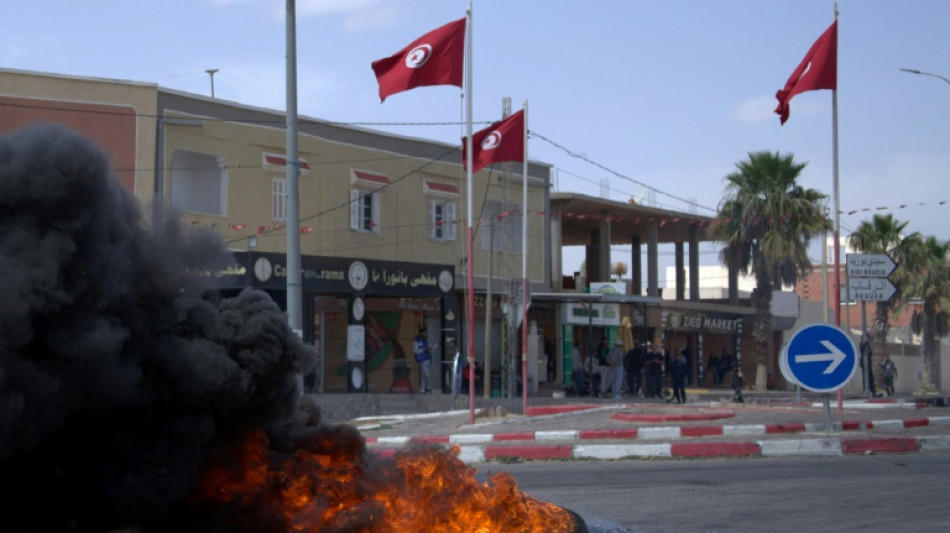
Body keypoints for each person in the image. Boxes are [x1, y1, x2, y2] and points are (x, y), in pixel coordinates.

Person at [413, 328, 432, 393]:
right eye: (424, 333)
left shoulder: (426, 340)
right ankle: (428, 387)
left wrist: (429, 348)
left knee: (425, 375)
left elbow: (428, 348)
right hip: (421, 360)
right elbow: (415, 351)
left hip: (427, 359)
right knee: (427, 374)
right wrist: (424, 349)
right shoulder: (416, 341)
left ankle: (422, 389)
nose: (425, 334)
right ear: (421, 333)